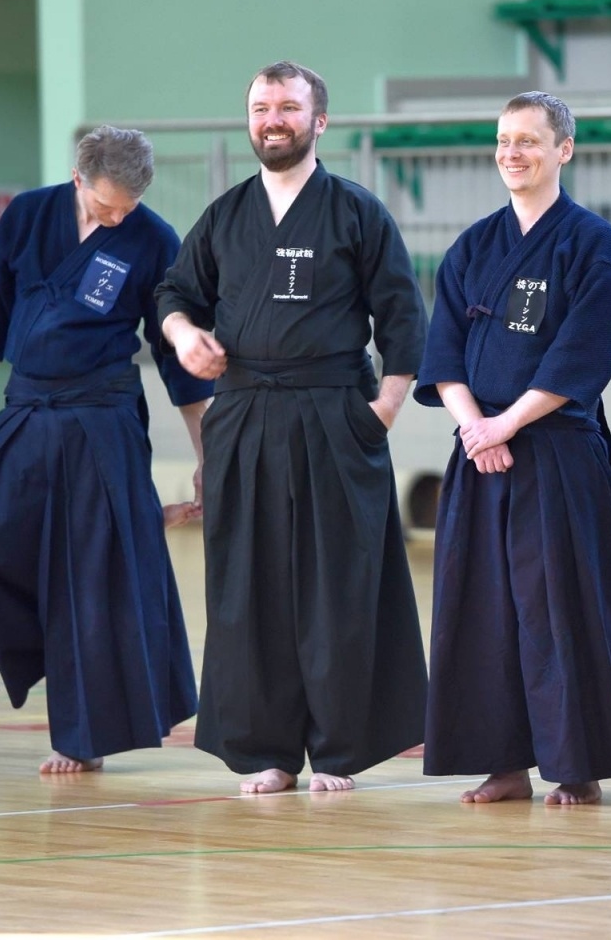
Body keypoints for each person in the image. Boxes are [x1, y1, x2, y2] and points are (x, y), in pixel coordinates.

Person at [157, 60, 428, 794]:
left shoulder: (356, 211)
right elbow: (175, 293)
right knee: (248, 590)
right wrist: (184, 335)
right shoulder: (226, 214)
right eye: (259, 107)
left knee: (337, 588)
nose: (272, 119)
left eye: (287, 106)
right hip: (244, 415)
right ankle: (263, 749)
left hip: (335, 414)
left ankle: (338, 750)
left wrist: (384, 411)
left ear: (319, 121)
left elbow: (403, 318)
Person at [0, 125, 211, 774]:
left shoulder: (152, 239)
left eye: (127, 207)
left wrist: (206, 454)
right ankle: (38, 650)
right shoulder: (29, 216)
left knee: (92, 579)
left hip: (103, 418)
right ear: (77, 179)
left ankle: (80, 739)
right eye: (104, 205)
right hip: (28, 409)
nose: (116, 217)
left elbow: (179, 366)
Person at [413, 91, 611, 806]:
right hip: (478, 453)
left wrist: (507, 424)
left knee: (562, 609)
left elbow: (583, 355)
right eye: (503, 140)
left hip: (556, 453)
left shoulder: (592, 243)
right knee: (480, 610)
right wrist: (473, 427)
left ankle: (577, 763)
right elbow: (443, 352)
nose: (512, 153)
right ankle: (503, 762)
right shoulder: (474, 246)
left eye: (528, 141)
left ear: (563, 151)